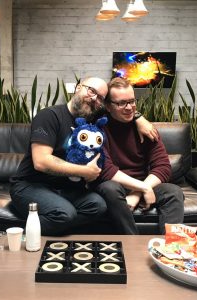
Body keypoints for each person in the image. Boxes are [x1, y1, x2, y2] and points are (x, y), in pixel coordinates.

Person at [10, 77, 157, 236]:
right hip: (31, 185)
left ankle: (61, 233)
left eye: (100, 98)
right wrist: (84, 171)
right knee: (65, 214)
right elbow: (41, 162)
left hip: (64, 189)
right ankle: (23, 236)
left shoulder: (91, 118)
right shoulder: (49, 116)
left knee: (98, 206)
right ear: (78, 87)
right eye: (91, 91)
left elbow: (122, 107)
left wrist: (138, 118)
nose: (94, 98)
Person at [94, 77, 184, 235]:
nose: (129, 108)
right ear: (108, 106)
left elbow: (163, 167)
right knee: (109, 188)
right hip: (116, 185)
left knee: (173, 192)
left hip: (144, 184)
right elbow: (106, 170)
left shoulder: (146, 129)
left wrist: (139, 191)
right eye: (122, 103)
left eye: (132, 101)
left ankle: (171, 249)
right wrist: (142, 188)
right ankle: (132, 243)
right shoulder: (98, 129)